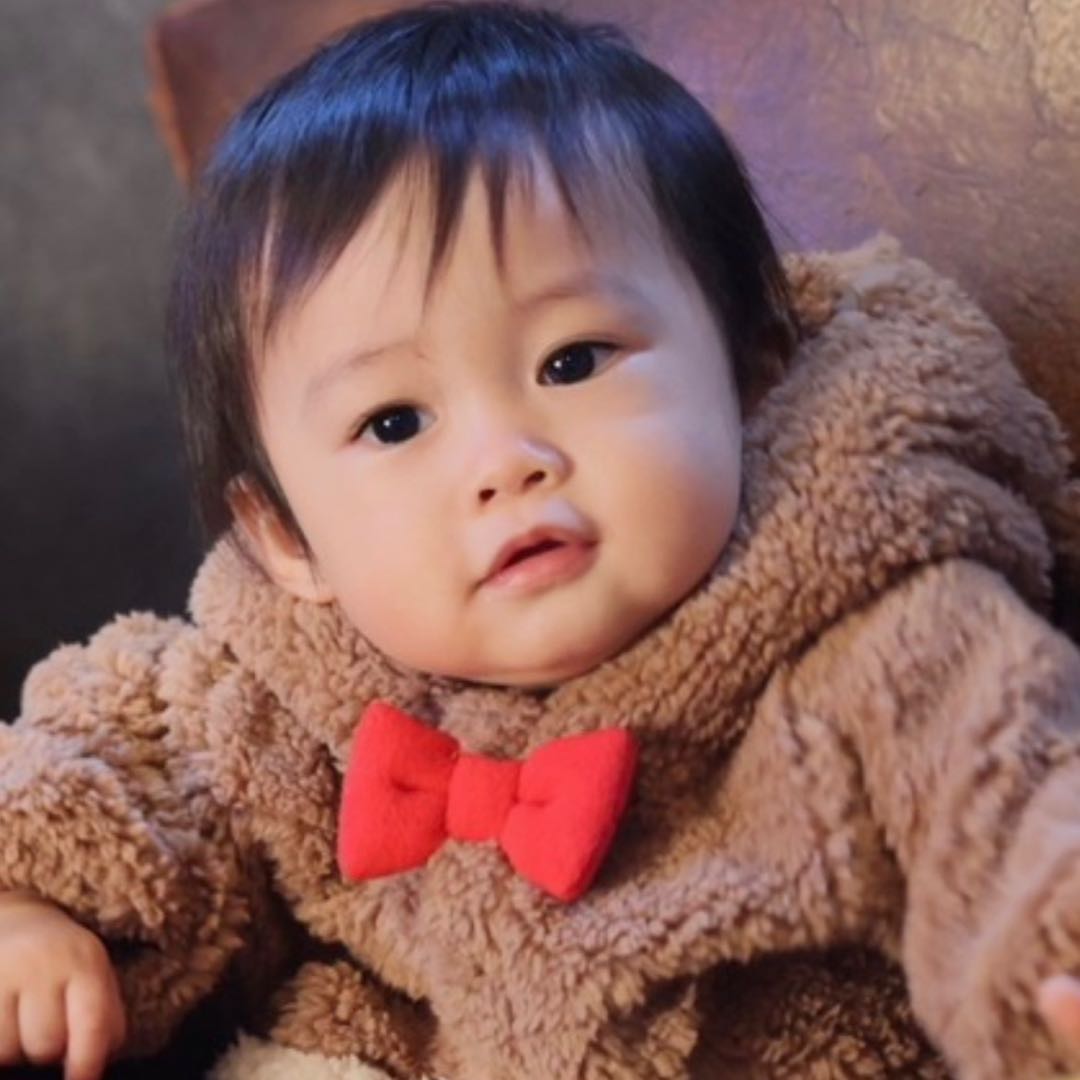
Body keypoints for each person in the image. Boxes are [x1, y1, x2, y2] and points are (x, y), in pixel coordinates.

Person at [2, 2, 1080, 1078]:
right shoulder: (275, 696)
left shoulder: (876, 625)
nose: (504, 462)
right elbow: (117, 773)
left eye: (573, 361)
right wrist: (28, 908)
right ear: (288, 541)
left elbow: (1013, 791)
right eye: (395, 423)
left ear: (751, 368)